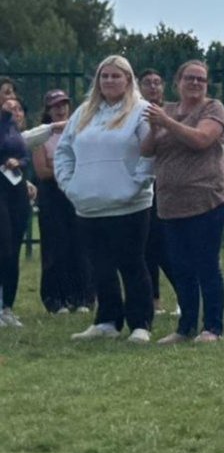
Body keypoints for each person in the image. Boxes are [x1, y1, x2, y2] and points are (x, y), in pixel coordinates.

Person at [54, 55, 156, 342]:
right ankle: (107, 321)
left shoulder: (141, 111)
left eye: (116, 76)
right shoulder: (83, 112)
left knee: (132, 264)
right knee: (100, 265)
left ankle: (140, 323)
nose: (109, 81)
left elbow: (150, 151)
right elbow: (64, 150)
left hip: (129, 205)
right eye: (104, 76)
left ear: (128, 79)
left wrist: (138, 183)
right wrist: (69, 185)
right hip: (88, 205)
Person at [143, 60, 224, 343]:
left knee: (206, 264)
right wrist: (153, 128)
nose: (195, 83)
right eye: (190, 78)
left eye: (201, 79)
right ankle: (186, 327)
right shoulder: (165, 111)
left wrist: (166, 123)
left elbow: (202, 139)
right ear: (177, 82)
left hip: (207, 199)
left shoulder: (213, 109)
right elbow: (146, 150)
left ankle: (213, 327)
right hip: (170, 203)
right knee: (181, 267)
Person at [31, 89, 94, 314]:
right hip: (53, 195)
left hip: (76, 192)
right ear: (48, 110)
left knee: (80, 245)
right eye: (55, 106)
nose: (61, 109)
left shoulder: (80, 130)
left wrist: (59, 167)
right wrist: (67, 169)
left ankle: (83, 297)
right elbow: (42, 171)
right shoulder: (42, 136)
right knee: (56, 246)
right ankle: (56, 297)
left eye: (64, 105)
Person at [138, 68, 177, 315]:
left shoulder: (172, 112)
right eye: (147, 83)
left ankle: (185, 293)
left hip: (167, 181)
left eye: (157, 82)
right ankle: (153, 299)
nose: (153, 87)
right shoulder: (134, 114)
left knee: (165, 244)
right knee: (147, 244)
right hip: (142, 182)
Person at [0, 95, 34, 327]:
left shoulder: (17, 133)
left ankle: (8, 307)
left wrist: (19, 163)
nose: (14, 110)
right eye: (9, 106)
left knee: (13, 250)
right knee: (3, 247)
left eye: (18, 108)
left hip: (17, 191)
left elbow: (25, 157)